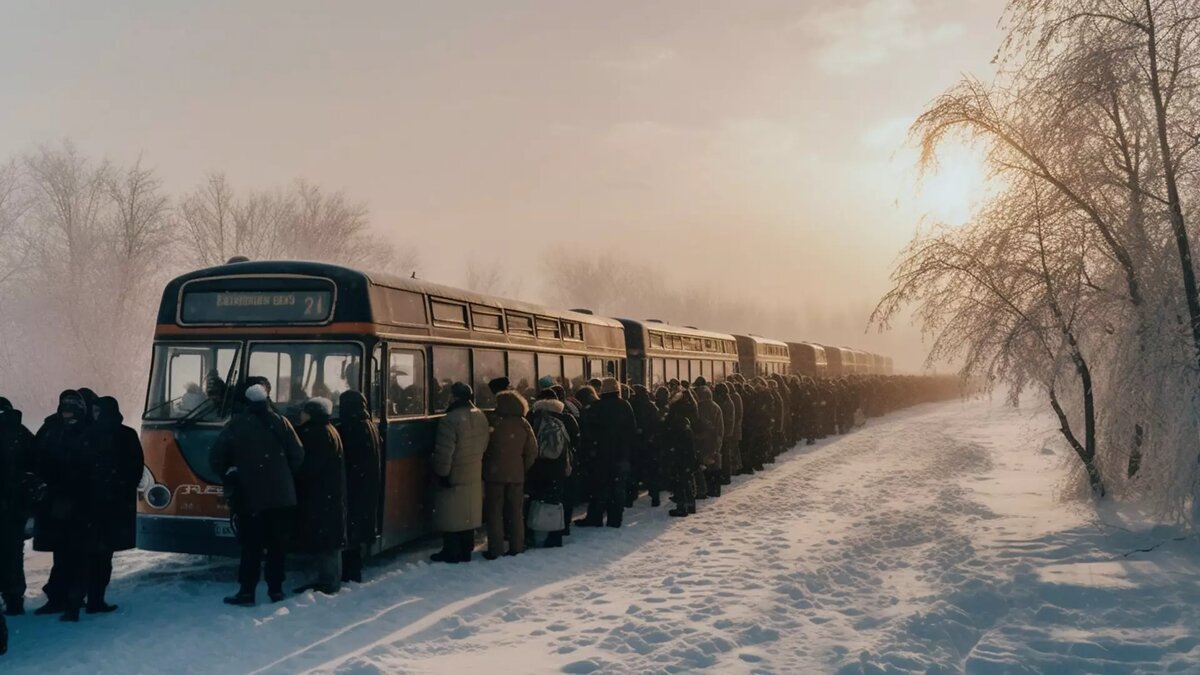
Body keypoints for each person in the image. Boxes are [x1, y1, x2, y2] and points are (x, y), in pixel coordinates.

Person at [210, 384, 304, 606]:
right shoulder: (282, 422)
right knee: (277, 545)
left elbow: (216, 457)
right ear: (267, 400)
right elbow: (298, 455)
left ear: (247, 403)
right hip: (281, 497)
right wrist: (283, 477)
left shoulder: (236, 425)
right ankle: (276, 590)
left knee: (251, 546)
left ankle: (247, 592)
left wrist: (229, 475)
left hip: (249, 497)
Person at [65, 397, 143, 619]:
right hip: (113, 506)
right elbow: (135, 469)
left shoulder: (88, 435)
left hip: (89, 506)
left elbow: (76, 468)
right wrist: (120, 489)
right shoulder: (126, 435)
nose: (95, 413)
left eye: (98, 410)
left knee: (85, 557)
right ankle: (96, 600)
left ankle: (76, 603)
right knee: (103, 556)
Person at [32, 390, 91, 616]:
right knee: (67, 553)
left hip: (72, 500)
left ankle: (68, 598)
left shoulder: (57, 429)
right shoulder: (56, 429)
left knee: (72, 553)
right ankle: (64, 597)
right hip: (60, 500)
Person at [430, 383, 489, 563]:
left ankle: (451, 551)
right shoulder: (480, 416)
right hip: (473, 471)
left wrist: (442, 472)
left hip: (455, 472)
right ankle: (466, 549)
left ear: (454, 397)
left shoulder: (449, 420)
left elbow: (444, 451)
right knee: (467, 515)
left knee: (451, 515)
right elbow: (484, 444)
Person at [293, 397, 347, 595]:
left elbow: (310, 466)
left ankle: (329, 582)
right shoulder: (328, 429)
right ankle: (329, 579)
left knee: (327, 539)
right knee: (329, 537)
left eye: (304, 412)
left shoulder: (316, 433)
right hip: (328, 493)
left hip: (322, 494)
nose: (301, 415)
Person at [482, 391, 537, 559]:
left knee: (494, 513)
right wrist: (522, 467)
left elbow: (484, 447)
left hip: (494, 474)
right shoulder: (524, 424)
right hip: (516, 475)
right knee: (515, 512)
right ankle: (517, 546)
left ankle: (496, 548)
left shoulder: (493, 422)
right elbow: (532, 451)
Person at [575, 378, 636, 529]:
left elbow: (588, 432)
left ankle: (595, 517)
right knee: (618, 488)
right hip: (621, 454)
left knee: (599, 488)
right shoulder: (624, 405)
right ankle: (615, 519)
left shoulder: (596, 407)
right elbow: (632, 430)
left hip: (600, 455)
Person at [336, 391, 380, 584]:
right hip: (367, 484)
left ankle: (350, 572)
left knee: (350, 528)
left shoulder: (349, 428)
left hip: (352, 483)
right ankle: (355, 567)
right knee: (359, 526)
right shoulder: (369, 425)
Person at [527, 390, 577, 548]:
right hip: (561, 466)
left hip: (543, 467)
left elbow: (538, 448)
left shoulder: (538, 421)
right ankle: (558, 532)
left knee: (540, 500)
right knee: (556, 501)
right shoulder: (566, 419)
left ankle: (539, 533)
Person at [0, 398, 34, 617]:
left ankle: (12, 598)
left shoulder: (18, 435)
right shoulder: (20, 433)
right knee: (12, 555)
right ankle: (13, 599)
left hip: (11, 505)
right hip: (14, 507)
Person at [662, 394, 697, 517]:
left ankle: (681, 507)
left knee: (679, 481)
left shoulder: (671, 420)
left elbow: (666, 437)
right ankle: (691, 504)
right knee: (686, 479)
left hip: (676, 453)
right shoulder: (685, 420)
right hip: (686, 452)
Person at [628, 385, 660, 507]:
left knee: (635, 471)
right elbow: (657, 424)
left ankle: (631, 496)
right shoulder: (652, 406)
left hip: (636, 444)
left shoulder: (632, 405)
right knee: (652, 472)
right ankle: (655, 496)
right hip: (650, 445)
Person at [693, 379, 725, 498]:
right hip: (713, 440)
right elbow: (720, 428)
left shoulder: (698, 408)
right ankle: (715, 490)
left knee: (703, 465)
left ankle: (703, 490)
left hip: (702, 441)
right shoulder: (716, 407)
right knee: (714, 465)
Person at [713, 383, 737, 487]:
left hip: (725, 432)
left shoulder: (725, 402)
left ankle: (725, 476)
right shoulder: (727, 401)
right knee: (725, 455)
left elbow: (727, 419)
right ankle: (725, 475)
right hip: (726, 432)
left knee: (724, 455)